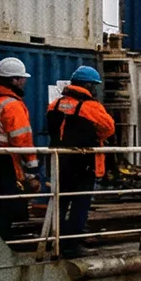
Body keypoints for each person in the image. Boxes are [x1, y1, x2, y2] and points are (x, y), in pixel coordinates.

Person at [47, 65, 116, 249]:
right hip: (83, 163)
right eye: (94, 85)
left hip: (59, 161)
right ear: (88, 85)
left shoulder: (55, 104)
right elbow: (109, 128)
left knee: (60, 201)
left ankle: (54, 238)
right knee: (80, 203)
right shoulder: (91, 107)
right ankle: (72, 244)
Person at [0, 56, 39, 243]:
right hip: (6, 163)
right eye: (22, 78)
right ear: (14, 80)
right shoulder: (12, 105)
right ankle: (12, 244)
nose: (24, 82)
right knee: (11, 205)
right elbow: (22, 142)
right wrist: (32, 173)